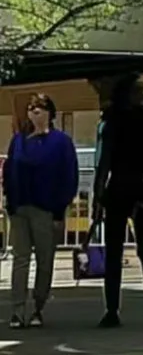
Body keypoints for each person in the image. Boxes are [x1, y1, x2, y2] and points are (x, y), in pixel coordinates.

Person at [93, 74, 143, 330]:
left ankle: (119, 311)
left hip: (124, 187)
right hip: (141, 188)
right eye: (139, 91)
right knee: (141, 252)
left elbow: (104, 163)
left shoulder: (114, 123)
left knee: (128, 251)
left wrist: (99, 196)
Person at [3, 94, 78, 329]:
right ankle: (17, 309)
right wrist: (9, 201)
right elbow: (9, 172)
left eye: (40, 108)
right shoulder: (19, 141)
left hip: (46, 209)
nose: (35, 112)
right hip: (20, 208)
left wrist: (60, 210)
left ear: (50, 113)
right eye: (32, 108)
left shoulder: (61, 142)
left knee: (45, 260)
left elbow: (69, 176)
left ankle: (38, 306)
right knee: (20, 259)